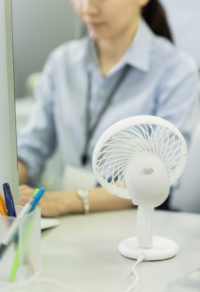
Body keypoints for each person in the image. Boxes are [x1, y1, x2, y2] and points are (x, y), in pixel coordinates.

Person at [18, 0, 200, 217]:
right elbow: (31, 148)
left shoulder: (177, 70)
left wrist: (65, 201)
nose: (87, 8)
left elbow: (158, 175)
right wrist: (10, 183)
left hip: (140, 225)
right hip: (70, 222)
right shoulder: (61, 62)